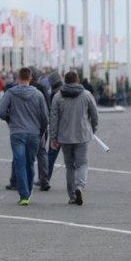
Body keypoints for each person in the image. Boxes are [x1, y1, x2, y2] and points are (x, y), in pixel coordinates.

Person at [0, 67, 49, 206]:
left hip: (17, 132)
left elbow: (0, 110)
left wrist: (9, 119)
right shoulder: (38, 95)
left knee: (20, 164)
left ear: (18, 77)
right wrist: (41, 132)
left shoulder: (11, 93)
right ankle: (29, 190)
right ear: (30, 78)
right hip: (34, 133)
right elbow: (44, 117)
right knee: (30, 163)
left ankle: (24, 194)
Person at [49, 71, 98, 206]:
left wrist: (53, 137)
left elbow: (53, 118)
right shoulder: (86, 94)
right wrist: (93, 129)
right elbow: (94, 114)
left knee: (69, 166)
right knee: (82, 163)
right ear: (77, 80)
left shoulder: (58, 96)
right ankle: (79, 187)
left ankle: (71, 195)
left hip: (64, 137)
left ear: (65, 81)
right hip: (82, 135)